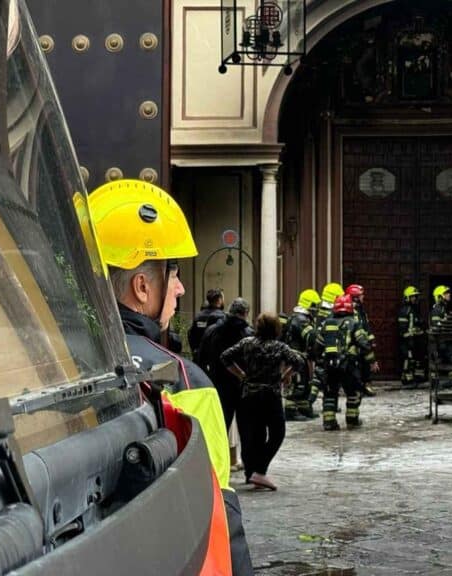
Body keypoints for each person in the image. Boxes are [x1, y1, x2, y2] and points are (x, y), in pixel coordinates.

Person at [89, 179, 253, 575]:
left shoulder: (51, 366)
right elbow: (219, 515)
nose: (179, 288)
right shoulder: (185, 380)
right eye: (172, 273)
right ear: (142, 286)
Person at [221, 314, 306, 491]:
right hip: (270, 395)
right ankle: (260, 470)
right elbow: (299, 362)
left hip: (248, 395)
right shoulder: (279, 346)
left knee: (252, 435)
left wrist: (240, 374)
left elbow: (225, 357)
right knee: (277, 433)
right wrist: (285, 375)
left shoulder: (247, 343)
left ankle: (251, 473)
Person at [314, 295, 376, 431]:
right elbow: (364, 343)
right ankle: (352, 421)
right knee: (353, 393)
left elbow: (318, 345)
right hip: (349, 366)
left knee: (330, 394)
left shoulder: (327, 323)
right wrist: (372, 361)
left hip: (330, 366)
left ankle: (329, 422)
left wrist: (320, 361)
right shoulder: (354, 323)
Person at [198, 297, 255, 430]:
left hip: (218, 383)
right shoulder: (249, 333)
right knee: (246, 429)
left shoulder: (212, 330)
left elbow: (201, 357)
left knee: (221, 426)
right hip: (242, 385)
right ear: (246, 313)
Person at [281, 289, 321, 420]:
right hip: (296, 357)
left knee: (305, 383)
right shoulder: (300, 320)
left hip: (301, 356)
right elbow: (311, 336)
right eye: (315, 306)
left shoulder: (300, 318)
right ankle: (290, 411)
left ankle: (304, 408)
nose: (316, 309)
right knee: (297, 383)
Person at [308, 282, 344, 410]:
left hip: (318, 347)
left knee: (318, 376)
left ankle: (310, 402)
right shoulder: (331, 314)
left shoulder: (319, 311)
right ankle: (324, 404)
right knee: (329, 378)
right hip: (328, 348)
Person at [346, 284, 378, 397]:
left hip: (362, 342)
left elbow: (366, 326)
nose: (363, 297)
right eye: (361, 295)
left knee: (365, 364)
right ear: (355, 297)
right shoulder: (350, 311)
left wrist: (371, 340)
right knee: (356, 366)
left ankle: (365, 384)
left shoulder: (361, 311)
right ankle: (356, 387)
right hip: (354, 344)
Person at [431, 285, 452, 384]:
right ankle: (436, 381)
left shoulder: (444, 308)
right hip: (441, 340)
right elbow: (436, 326)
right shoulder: (437, 310)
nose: (449, 295)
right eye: (446, 293)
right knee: (444, 358)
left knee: (451, 358)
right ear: (439, 297)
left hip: (445, 339)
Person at [398, 285, 424, 387]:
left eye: (415, 296)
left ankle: (415, 378)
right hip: (407, 340)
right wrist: (408, 338)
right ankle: (406, 379)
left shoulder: (414, 309)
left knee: (414, 359)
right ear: (407, 297)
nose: (415, 298)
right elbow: (402, 329)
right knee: (407, 359)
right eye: (412, 296)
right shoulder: (405, 310)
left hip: (415, 340)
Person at [189, 288, 225, 353]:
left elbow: (191, 335)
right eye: (222, 298)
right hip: (216, 355)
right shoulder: (223, 317)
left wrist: (195, 350)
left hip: (201, 354)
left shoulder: (198, 317)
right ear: (219, 300)